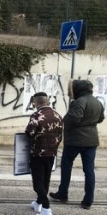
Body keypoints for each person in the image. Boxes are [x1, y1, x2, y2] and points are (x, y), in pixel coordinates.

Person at [50, 79, 104, 210]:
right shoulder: (98, 102)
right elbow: (101, 118)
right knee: (89, 170)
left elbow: (74, 118)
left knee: (66, 164)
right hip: (91, 140)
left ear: (79, 89)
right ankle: (88, 200)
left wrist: (64, 119)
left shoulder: (78, 102)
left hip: (75, 140)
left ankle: (63, 193)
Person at [25, 92, 63, 215]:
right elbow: (60, 136)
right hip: (51, 154)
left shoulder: (36, 115)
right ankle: (38, 203)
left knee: (37, 182)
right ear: (47, 102)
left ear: (36, 103)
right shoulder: (58, 115)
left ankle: (46, 208)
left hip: (38, 154)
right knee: (46, 180)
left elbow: (28, 133)